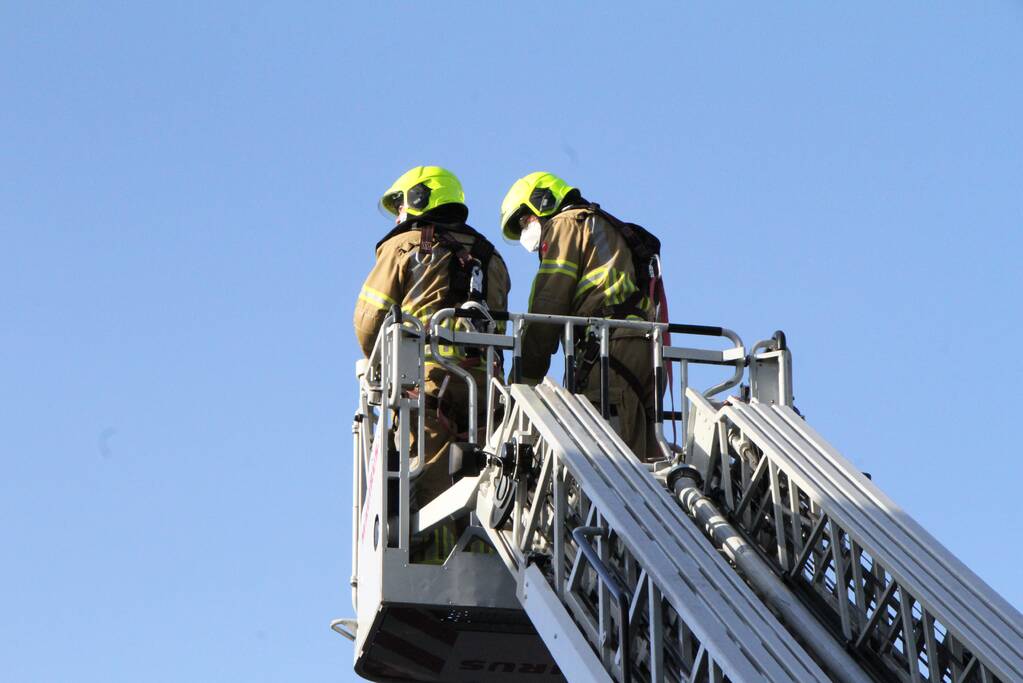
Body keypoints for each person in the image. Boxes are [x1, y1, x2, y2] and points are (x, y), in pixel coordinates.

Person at [355, 166, 510, 559]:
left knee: (429, 482)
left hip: (424, 384)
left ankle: (436, 566)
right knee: (482, 478)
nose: (398, 216)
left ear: (420, 199)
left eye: (401, 204)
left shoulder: (402, 247)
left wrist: (380, 367)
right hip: (485, 390)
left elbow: (368, 320)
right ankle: (485, 559)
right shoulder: (493, 259)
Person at [499, 171, 664, 461]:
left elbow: (548, 307)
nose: (526, 232)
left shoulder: (564, 225)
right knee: (638, 452)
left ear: (543, 202)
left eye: (525, 221)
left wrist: (521, 381)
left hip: (607, 352)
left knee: (607, 457)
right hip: (640, 348)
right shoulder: (602, 225)